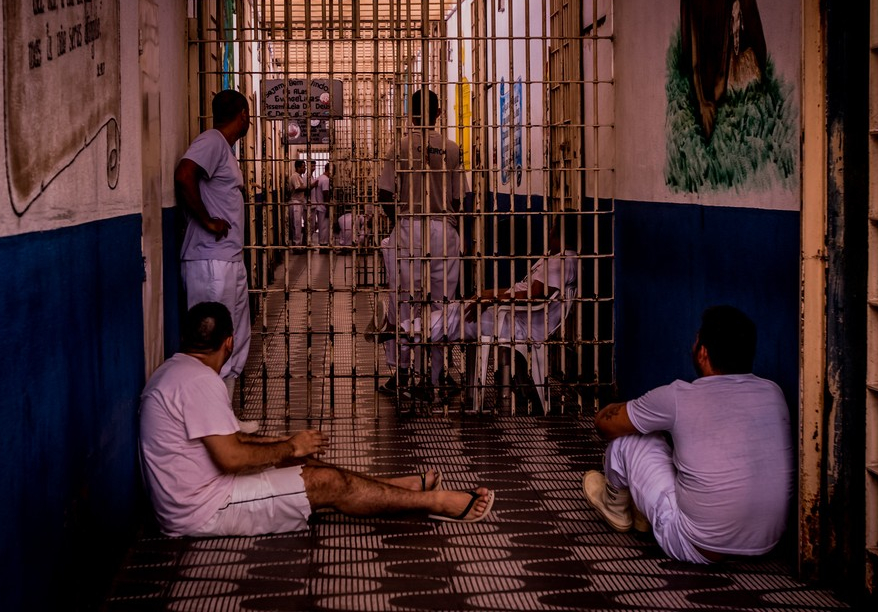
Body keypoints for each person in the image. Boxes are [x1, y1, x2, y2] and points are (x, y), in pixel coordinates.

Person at [139, 301, 496, 538]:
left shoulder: (176, 371)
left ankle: (395, 486)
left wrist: (288, 447)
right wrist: (290, 446)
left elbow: (231, 441)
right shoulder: (201, 382)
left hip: (196, 497)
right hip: (205, 510)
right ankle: (437, 503)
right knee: (328, 482)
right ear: (230, 342)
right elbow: (230, 457)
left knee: (303, 464)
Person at [583, 305, 793, 565]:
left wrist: (626, 409)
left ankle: (615, 507)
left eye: (696, 340)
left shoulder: (678, 396)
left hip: (695, 546)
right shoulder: (773, 393)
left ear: (702, 352)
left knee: (628, 439)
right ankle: (642, 511)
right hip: (766, 545)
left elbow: (605, 426)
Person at [379, 213, 579, 411]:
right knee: (455, 313)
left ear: (560, 234)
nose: (549, 232)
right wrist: (487, 295)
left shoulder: (563, 261)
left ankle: (401, 331)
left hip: (516, 322)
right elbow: (525, 290)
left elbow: (534, 294)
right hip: (513, 315)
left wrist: (490, 298)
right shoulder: (559, 259)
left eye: (552, 228)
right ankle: (406, 337)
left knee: (454, 317)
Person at [377, 88, 466, 398]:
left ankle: (402, 373)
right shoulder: (451, 149)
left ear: (410, 114)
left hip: (409, 227)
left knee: (405, 302)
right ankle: (436, 376)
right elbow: (460, 198)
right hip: (443, 229)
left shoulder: (399, 148)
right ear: (438, 113)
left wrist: (401, 222)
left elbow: (385, 194)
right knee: (442, 305)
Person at [174, 89, 252, 395]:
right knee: (211, 341)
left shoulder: (223, 148)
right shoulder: (212, 141)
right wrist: (207, 220)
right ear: (244, 115)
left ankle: (224, 410)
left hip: (226, 258)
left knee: (233, 337)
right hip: (210, 261)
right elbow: (184, 174)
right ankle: (208, 409)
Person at [680, 0, 766, 139]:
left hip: (733, 70)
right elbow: (691, 32)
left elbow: (746, 26)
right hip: (705, 77)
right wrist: (702, 101)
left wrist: (721, 83)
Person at [288, 159, 311, 248]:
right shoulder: (295, 176)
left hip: (298, 202)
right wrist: (309, 187)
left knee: (297, 224)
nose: (305, 168)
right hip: (295, 203)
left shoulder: (299, 177)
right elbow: (297, 188)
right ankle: (296, 244)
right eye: (303, 167)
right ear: (298, 167)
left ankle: (297, 243)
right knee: (296, 224)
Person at [310, 162, 332, 246]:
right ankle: (324, 244)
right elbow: (325, 194)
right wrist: (327, 207)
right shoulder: (326, 180)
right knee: (324, 227)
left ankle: (322, 243)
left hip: (319, 205)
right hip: (323, 207)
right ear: (329, 170)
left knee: (321, 226)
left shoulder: (319, 178)